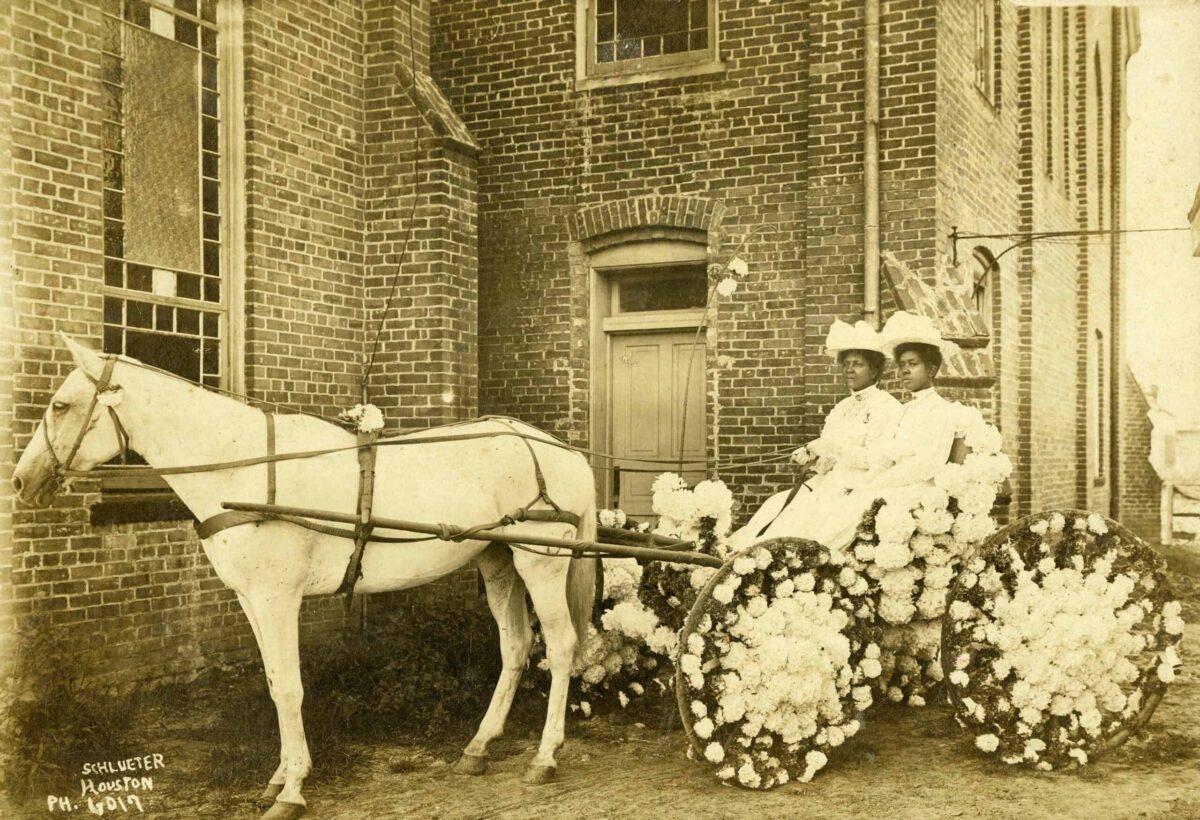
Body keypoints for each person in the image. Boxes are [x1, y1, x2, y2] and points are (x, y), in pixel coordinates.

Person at [727, 318, 902, 549]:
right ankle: (742, 555)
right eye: (846, 363)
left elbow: (876, 460)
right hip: (828, 482)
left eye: (858, 364)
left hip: (857, 487)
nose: (849, 369)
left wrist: (832, 449)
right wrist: (812, 458)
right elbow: (825, 461)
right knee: (775, 504)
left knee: (802, 517)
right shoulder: (842, 408)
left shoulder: (887, 407)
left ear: (874, 370)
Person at [801, 310, 961, 553]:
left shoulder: (942, 411)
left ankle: (819, 557)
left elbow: (927, 464)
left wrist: (877, 484)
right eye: (902, 365)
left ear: (931, 370)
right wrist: (868, 480)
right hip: (889, 483)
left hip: (917, 487)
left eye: (913, 364)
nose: (905, 370)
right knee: (836, 504)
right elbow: (883, 456)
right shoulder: (904, 410)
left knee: (851, 509)